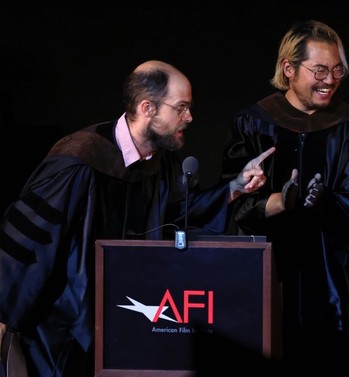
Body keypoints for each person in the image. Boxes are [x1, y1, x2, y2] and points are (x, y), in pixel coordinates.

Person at [0, 60, 275, 377]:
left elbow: (176, 215)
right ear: (148, 108)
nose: (189, 117)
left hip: (129, 320)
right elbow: (32, 238)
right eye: (181, 108)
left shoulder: (161, 163)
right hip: (67, 326)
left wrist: (234, 188)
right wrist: (5, 314)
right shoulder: (79, 160)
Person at [220, 20, 349, 377]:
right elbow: (230, 202)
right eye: (320, 70)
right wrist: (279, 201)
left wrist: (323, 201)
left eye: (337, 69)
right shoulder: (254, 123)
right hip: (266, 273)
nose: (330, 79)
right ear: (289, 68)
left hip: (333, 279)